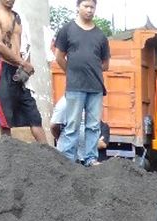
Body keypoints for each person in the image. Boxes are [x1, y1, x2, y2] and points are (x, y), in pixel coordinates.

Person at [53, 0, 110, 166]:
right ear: (78, 7)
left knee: (93, 126)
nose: (89, 10)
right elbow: (59, 57)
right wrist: (71, 72)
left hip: (96, 87)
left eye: (92, 7)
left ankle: (91, 158)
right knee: (72, 125)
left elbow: (106, 64)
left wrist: (91, 67)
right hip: (75, 86)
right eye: (86, 6)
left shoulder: (100, 35)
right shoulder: (67, 30)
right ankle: (68, 161)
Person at [0, 0, 46, 143]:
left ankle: (49, 153)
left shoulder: (17, 17)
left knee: (34, 116)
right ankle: (7, 156)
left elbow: (25, 44)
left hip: (19, 69)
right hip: (3, 67)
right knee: (4, 117)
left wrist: (26, 65)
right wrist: (22, 62)